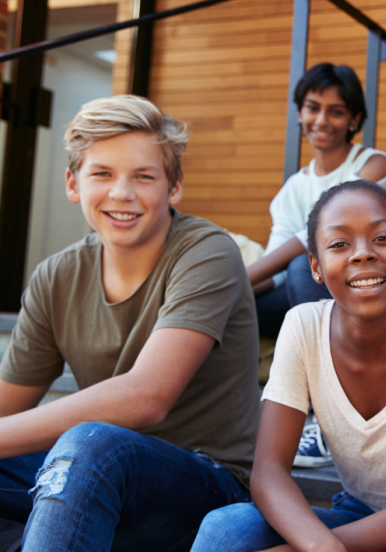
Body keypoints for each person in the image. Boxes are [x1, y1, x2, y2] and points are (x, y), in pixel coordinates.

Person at [0, 96, 260, 551]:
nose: (122, 193)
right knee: (80, 450)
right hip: (87, 470)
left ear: (174, 187)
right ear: (73, 182)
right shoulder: (56, 276)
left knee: (91, 444)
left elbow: (147, 397)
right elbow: (8, 407)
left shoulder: (207, 252)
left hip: (206, 485)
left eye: (143, 176)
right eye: (102, 173)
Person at [192, 180, 386, 552]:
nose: (362, 254)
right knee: (227, 527)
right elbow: (269, 473)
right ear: (316, 267)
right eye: (339, 244)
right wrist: (319, 545)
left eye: (382, 238)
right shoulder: (303, 326)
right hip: (358, 513)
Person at [250, 63, 386, 339]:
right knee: (241, 307)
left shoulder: (374, 165)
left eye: (336, 112)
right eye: (312, 108)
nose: (321, 120)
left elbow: (319, 232)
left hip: (370, 284)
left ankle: (331, 360)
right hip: (310, 289)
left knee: (301, 266)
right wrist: (230, 290)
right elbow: (276, 266)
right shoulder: (294, 188)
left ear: (354, 119)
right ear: (299, 112)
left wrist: (240, 278)